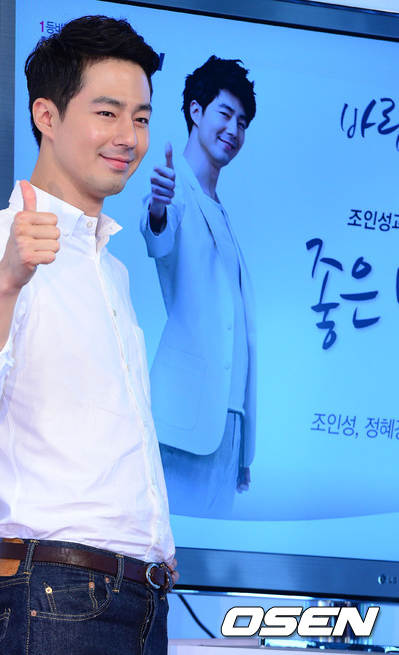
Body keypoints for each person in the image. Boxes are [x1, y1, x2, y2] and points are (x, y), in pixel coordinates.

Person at [0, 15, 177, 655]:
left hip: (139, 596)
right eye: (107, 113)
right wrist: (7, 281)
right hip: (59, 593)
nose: (128, 137)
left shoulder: (111, 268)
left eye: (141, 118)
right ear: (46, 115)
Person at [140, 56, 257, 520]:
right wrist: (158, 208)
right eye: (225, 114)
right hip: (184, 426)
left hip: (227, 428)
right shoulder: (176, 192)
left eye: (242, 122)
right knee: (165, 553)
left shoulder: (219, 206)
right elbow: (160, 235)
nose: (234, 130)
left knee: (212, 553)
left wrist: (243, 439)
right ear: (195, 111)